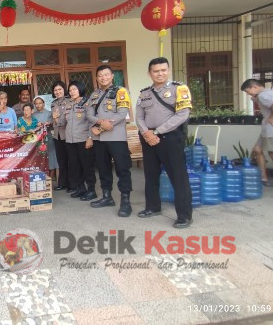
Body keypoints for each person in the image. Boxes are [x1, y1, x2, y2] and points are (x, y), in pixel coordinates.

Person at [137, 57, 193, 228]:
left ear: (168, 70)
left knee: (178, 177)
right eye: (156, 71)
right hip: (148, 138)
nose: (160, 73)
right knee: (151, 175)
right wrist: (146, 132)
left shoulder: (179, 89)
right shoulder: (144, 93)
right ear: (149, 73)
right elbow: (139, 116)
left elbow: (182, 115)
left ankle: (184, 215)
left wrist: (157, 132)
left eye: (163, 70)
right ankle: (153, 207)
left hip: (170, 138)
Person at [86, 65, 133, 217]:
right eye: (100, 75)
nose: (103, 78)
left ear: (112, 76)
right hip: (99, 139)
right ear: (97, 78)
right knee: (103, 168)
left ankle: (126, 201)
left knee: (122, 169)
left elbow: (122, 113)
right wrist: (101, 122)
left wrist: (105, 125)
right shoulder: (94, 95)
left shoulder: (121, 91)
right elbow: (89, 115)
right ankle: (107, 197)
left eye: (106, 75)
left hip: (116, 137)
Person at [241, 78, 273, 187]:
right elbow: (270, 101)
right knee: (257, 150)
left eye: (248, 91)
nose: (248, 94)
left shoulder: (262, 96)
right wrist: (255, 98)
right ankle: (263, 177)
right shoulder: (272, 93)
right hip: (268, 129)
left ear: (254, 87)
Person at [64, 81, 97, 201]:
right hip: (70, 140)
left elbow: (91, 122)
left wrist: (90, 137)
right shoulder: (68, 104)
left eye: (74, 89)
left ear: (80, 89)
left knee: (87, 166)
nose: (72, 92)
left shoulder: (87, 103)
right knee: (75, 165)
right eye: (70, 89)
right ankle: (80, 188)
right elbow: (64, 121)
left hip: (83, 139)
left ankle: (91, 190)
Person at [51, 80, 71, 191]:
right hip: (57, 135)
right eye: (55, 90)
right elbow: (53, 119)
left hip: (67, 134)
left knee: (71, 160)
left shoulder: (69, 101)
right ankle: (62, 183)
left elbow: (65, 119)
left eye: (60, 89)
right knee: (61, 160)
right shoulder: (53, 103)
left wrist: (56, 119)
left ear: (64, 90)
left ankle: (72, 184)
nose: (57, 92)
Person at [32, 97, 58, 181]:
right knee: (40, 158)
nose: (38, 105)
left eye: (40, 103)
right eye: (36, 103)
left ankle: (50, 178)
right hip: (38, 139)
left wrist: (46, 124)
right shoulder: (33, 115)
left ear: (43, 103)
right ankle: (41, 178)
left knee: (51, 157)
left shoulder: (49, 113)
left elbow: (52, 124)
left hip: (48, 138)